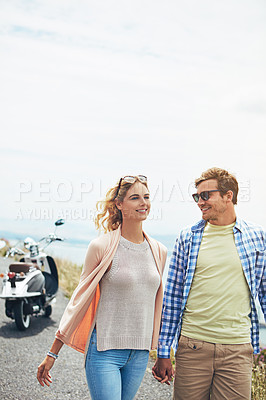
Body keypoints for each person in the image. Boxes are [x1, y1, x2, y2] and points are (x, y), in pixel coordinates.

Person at [37, 175, 167, 400]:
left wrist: (162, 353)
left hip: (140, 354)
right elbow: (78, 301)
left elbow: (158, 305)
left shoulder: (159, 250)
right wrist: (52, 353)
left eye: (146, 197)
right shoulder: (101, 247)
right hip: (105, 352)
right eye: (135, 198)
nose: (143, 203)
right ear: (119, 204)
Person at [152, 167, 265, 400]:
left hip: (237, 349)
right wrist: (164, 352)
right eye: (197, 197)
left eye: (205, 196)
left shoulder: (257, 237)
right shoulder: (188, 237)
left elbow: (264, 292)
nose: (199, 202)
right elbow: (172, 297)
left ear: (228, 196)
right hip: (193, 347)